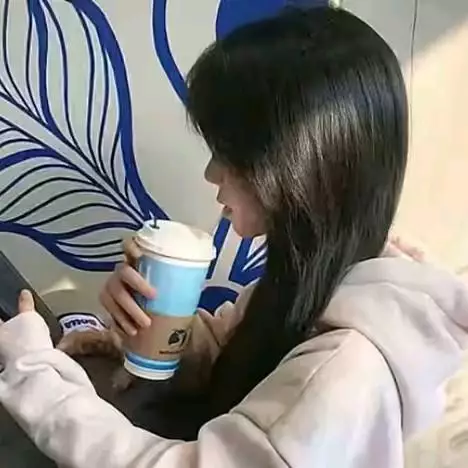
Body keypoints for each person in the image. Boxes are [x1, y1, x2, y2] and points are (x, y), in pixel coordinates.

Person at [0, 6, 467, 467]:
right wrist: (149, 341)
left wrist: (35, 380)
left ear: (303, 166)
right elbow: (243, 361)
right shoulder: (317, 282)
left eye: (229, 154)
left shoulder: (346, 370)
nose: (211, 173)